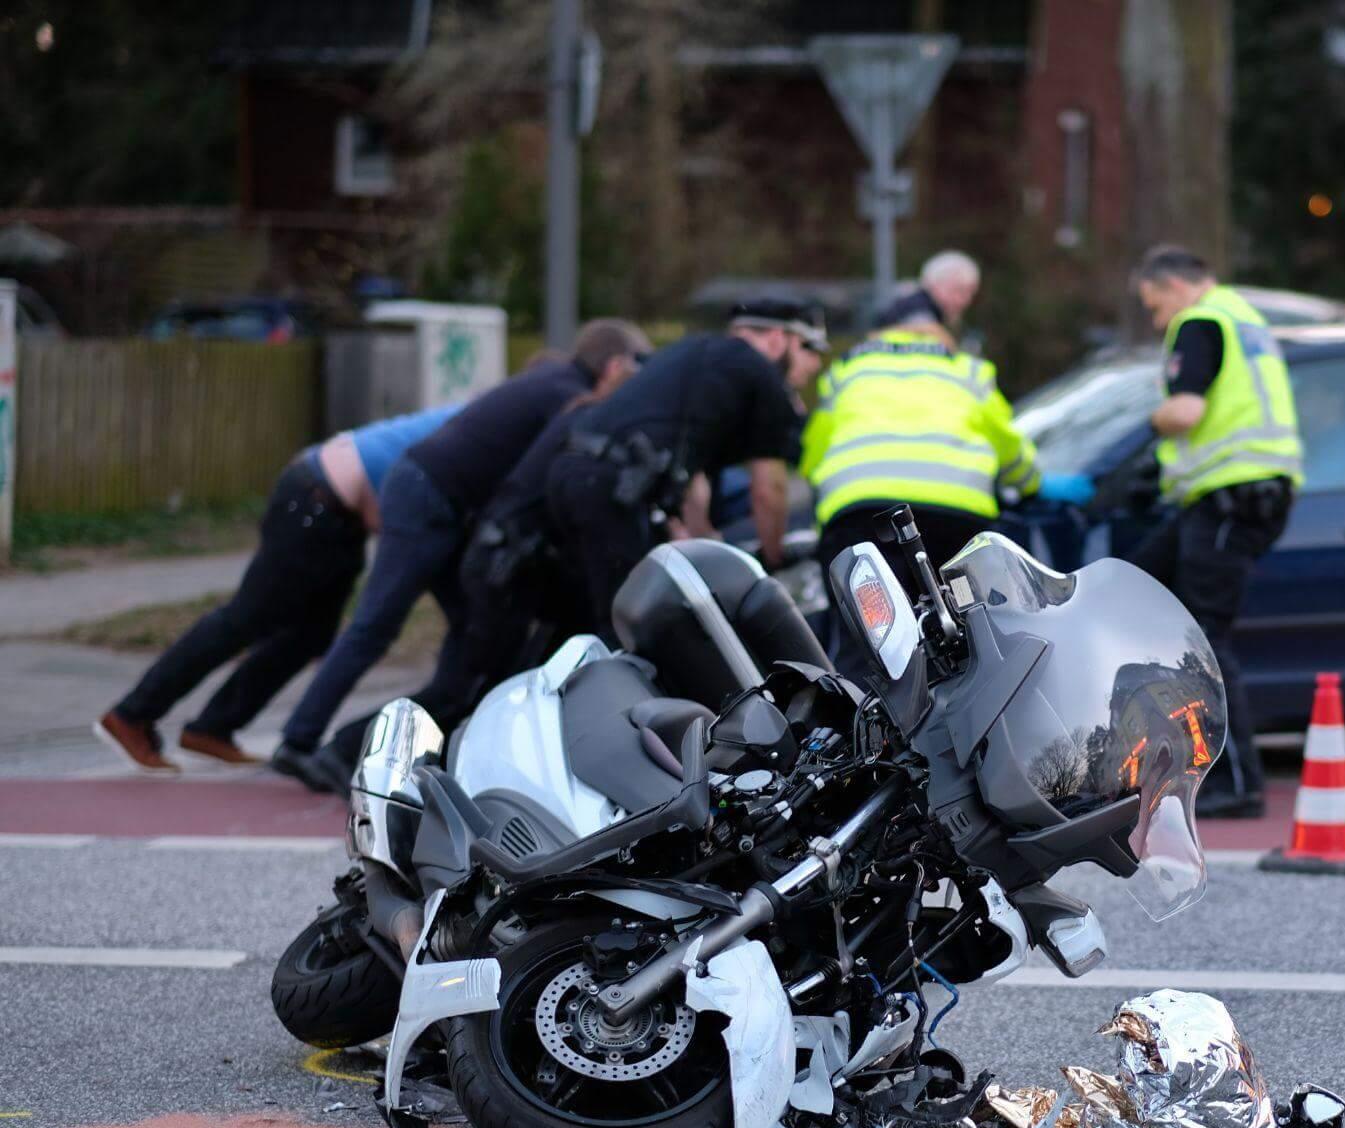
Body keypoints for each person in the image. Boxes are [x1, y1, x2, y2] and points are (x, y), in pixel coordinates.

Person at [270, 318, 649, 792]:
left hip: (441, 501)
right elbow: (536, 478)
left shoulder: (554, 383)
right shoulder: (565, 397)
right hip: (428, 496)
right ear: (614, 366)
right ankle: (301, 741)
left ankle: (424, 738)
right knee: (377, 624)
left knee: (471, 643)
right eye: (639, 366)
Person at [91, 402, 464, 774]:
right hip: (315, 499)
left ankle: (213, 728)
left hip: (335, 509)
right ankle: (131, 715)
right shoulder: (494, 424)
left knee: (310, 635)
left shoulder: (486, 416)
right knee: (246, 617)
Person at [1127, 244, 1303, 819]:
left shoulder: (1198, 320)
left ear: (1176, 287)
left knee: (1203, 641)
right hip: (1239, 495)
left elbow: (1184, 413)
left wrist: (1145, 420)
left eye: (1155, 308)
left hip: (1229, 499)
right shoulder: (1244, 317)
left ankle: (1238, 782)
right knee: (1139, 587)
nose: (1158, 322)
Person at [544, 300, 825, 638]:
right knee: (632, 629)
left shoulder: (691, 354)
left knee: (585, 622)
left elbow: (691, 474)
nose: (817, 363)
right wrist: (772, 559)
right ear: (780, 339)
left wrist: (705, 539)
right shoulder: (761, 374)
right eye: (808, 347)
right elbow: (769, 489)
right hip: (611, 490)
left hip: (569, 475)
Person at [803, 306, 1074, 578]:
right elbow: (1007, 445)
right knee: (963, 604)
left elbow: (815, 452)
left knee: (864, 610)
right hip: (957, 505)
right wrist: (1030, 484)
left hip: (858, 505)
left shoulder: (845, 371)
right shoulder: (967, 370)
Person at [875, 250, 980, 332]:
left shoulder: (907, 302)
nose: (965, 300)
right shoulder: (919, 311)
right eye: (958, 290)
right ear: (934, 283)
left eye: (971, 293)